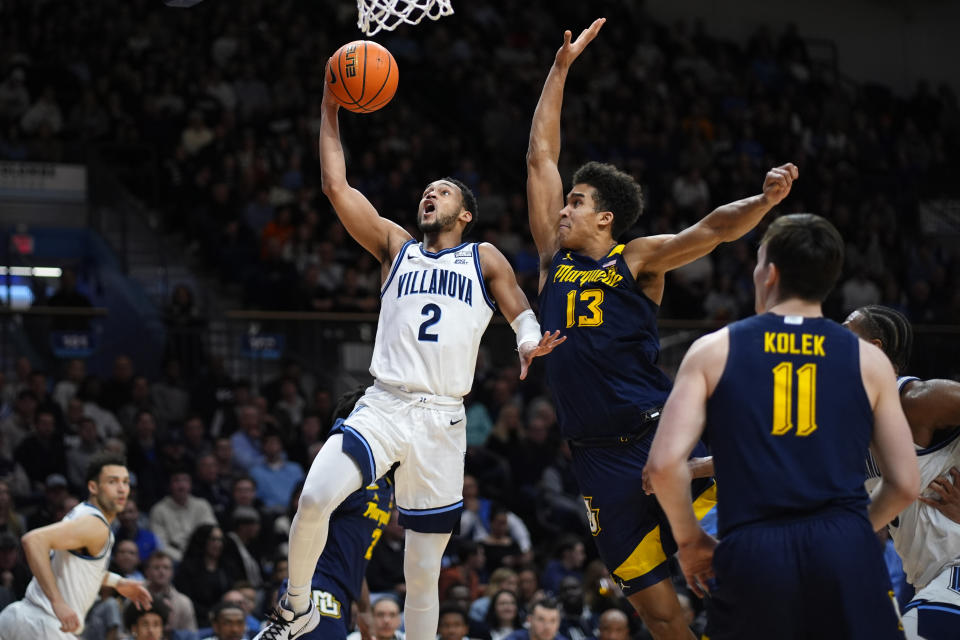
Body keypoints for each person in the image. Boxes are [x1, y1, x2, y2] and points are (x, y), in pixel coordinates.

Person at [253, 77, 564, 640]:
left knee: (421, 573)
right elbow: (335, 184)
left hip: (442, 420)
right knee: (315, 496)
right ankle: (296, 609)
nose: (430, 195)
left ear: (465, 213)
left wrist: (527, 341)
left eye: (442, 192)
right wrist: (328, 104)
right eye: (426, 191)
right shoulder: (395, 247)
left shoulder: (482, 256)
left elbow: (518, 308)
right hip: (385, 404)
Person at [526, 18, 797, 639]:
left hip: (658, 436)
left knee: (734, 568)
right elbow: (540, 155)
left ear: (606, 219)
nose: (563, 208)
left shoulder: (637, 260)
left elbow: (709, 231)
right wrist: (561, 69)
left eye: (577, 202)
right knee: (656, 611)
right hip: (595, 460)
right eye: (565, 200)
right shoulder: (552, 263)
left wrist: (761, 204)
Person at [646, 214, 920, 638]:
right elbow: (904, 483)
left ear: (769, 272)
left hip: (755, 549)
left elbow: (664, 466)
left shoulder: (713, 350)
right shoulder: (870, 361)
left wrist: (691, 542)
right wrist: (850, 530)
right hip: (844, 548)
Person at [844, 305, 960, 638]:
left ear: (873, 350)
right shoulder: (851, 423)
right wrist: (691, 469)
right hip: (930, 578)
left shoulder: (916, 400)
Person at [275, 386, 397, 640]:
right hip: (316, 586)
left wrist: (364, 608)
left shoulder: (384, 483)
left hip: (342, 593)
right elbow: (307, 523)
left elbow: (358, 555)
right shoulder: (348, 469)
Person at [0, 452, 152, 638]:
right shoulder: (95, 525)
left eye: (125, 482)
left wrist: (117, 582)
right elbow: (33, 540)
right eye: (112, 482)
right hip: (44, 625)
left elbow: (74, 570)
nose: (121, 489)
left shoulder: (82, 513)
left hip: (20, 616)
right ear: (93, 487)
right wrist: (57, 602)